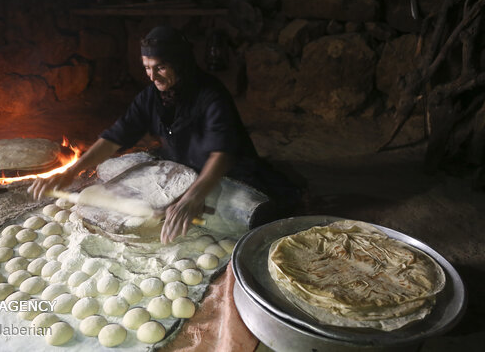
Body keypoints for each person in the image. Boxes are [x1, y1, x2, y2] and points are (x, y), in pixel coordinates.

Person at [29, 26, 302, 243]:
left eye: (159, 67)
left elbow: (222, 155)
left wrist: (191, 199)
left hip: (224, 174)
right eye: (147, 68)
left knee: (250, 217)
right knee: (109, 167)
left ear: (180, 63)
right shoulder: (151, 96)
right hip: (179, 168)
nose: (152, 76)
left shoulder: (211, 95)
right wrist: (70, 172)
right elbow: (115, 137)